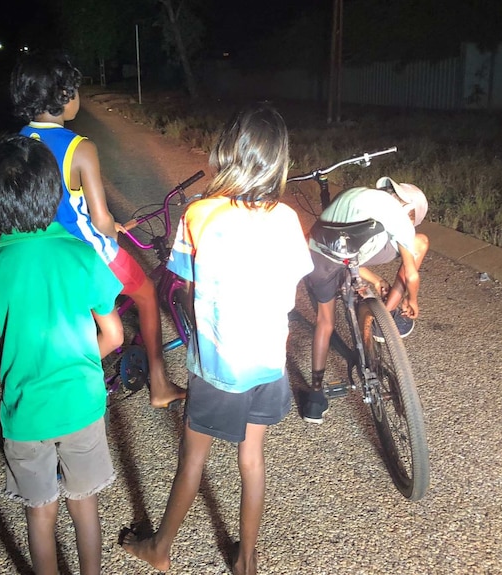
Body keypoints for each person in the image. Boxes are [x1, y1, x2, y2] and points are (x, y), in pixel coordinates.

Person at [121, 103, 313, 575]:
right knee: (252, 459)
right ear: (278, 162)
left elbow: (183, 287)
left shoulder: (199, 213)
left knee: (192, 461)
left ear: (228, 153)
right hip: (268, 362)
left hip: (218, 365)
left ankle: (159, 549)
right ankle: (246, 561)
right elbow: (289, 293)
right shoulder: (288, 220)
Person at [0, 134, 124, 575]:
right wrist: (82, 362)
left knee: (40, 512)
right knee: (84, 506)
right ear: (54, 195)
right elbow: (114, 334)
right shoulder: (82, 255)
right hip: (82, 405)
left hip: (25, 414)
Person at [10, 50, 186, 409]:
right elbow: (102, 220)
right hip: (87, 253)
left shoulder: (17, 144)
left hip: (42, 253)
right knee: (148, 294)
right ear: (61, 96)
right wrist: (110, 229)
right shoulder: (79, 148)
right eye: (74, 90)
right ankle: (158, 384)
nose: (78, 97)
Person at [300, 176, 430, 424]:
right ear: (410, 212)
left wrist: (376, 280)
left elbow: (345, 254)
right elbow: (411, 274)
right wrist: (412, 300)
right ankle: (387, 314)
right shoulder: (400, 218)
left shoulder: (354, 193)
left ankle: (315, 399)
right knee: (420, 243)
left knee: (325, 322)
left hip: (318, 257)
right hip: (346, 254)